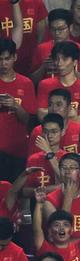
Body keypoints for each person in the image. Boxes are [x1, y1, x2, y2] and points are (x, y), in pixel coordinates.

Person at [0, 38, 36, 179]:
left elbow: (29, 120)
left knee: (15, 195)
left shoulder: (26, 83)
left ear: (15, 57)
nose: (3, 63)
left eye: (7, 59)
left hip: (17, 150)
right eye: (0, 59)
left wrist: (16, 106)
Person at [36, 42, 80, 124]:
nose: (59, 63)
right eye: (56, 59)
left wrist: (52, 113)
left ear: (75, 62)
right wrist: (68, 114)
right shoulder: (45, 85)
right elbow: (41, 115)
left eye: (64, 59)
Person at [31, 9, 80, 84]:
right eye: (53, 29)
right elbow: (32, 81)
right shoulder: (41, 49)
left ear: (70, 27)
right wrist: (43, 68)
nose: (57, 33)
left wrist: (70, 70)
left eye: (61, 29)